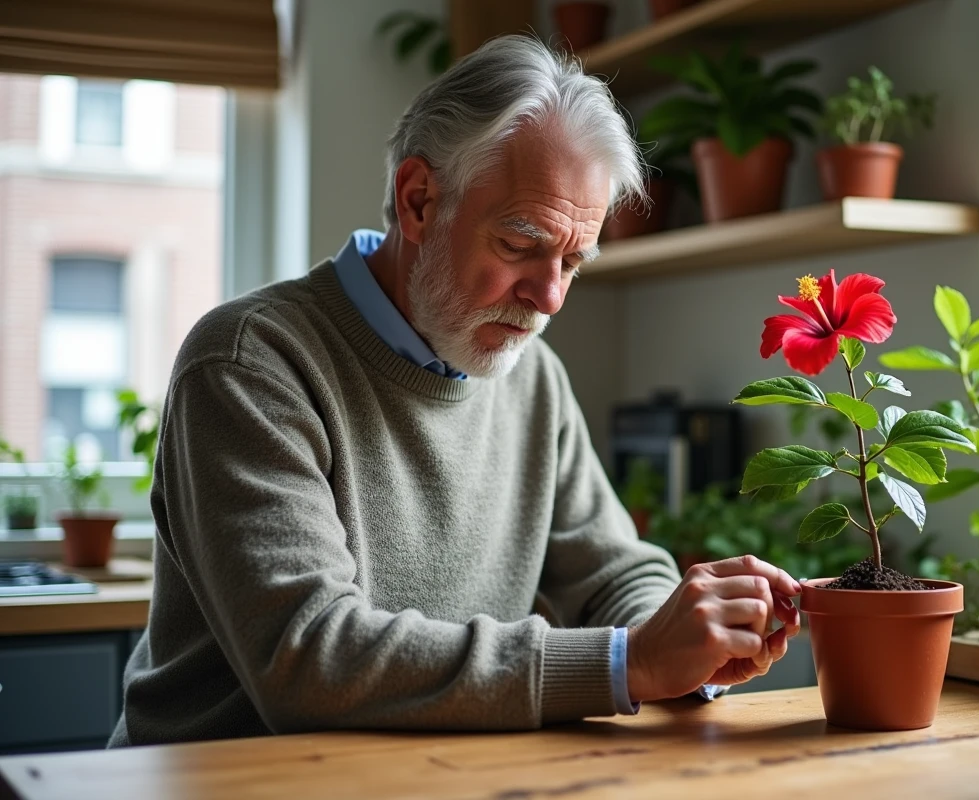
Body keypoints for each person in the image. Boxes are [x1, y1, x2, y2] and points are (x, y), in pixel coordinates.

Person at [109, 34, 801, 747]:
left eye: (573, 260)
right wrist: (630, 662)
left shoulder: (531, 375)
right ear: (418, 201)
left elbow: (609, 575)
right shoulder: (251, 363)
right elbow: (310, 660)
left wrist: (692, 641)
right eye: (520, 244)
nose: (551, 297)